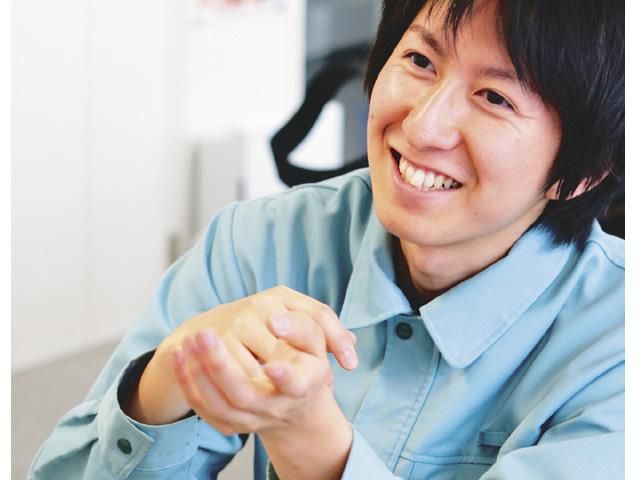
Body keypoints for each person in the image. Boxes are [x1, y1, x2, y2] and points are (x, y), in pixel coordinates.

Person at [29, 0, 624, 478]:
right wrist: (171, 377)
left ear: (583, 172)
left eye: (494, 97)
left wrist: (311, 441)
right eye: (420, 60)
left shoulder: (618, 348)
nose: (423, 126)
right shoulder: (262, 240)